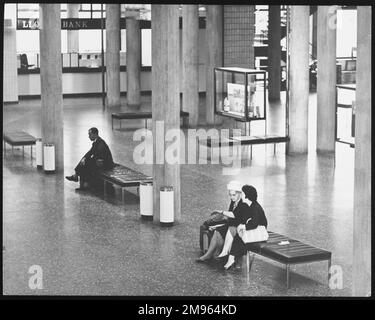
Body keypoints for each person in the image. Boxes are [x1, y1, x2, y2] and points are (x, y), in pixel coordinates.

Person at [196, 181, 246, 262]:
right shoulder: (233, 202)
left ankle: (214, 254)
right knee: (217, 231)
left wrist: (221, 212)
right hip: (231, 225)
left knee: (220, 231)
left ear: (239, 194)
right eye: (230, 195)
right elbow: (229, 217)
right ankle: (210, 254)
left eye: (233, 195)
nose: (231, 197)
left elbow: (234, 215)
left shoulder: (242, 205)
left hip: (236, 228)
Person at [223, 185, 268, 270]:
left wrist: (243, 226)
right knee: (238, 235)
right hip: (254, 230)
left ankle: (232, 259)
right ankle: (232, 259)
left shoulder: (255, 207)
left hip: (259, 233)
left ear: (247, 196)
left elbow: (254, 224)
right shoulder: (250, 205)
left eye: (242, 193)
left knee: (239, 237)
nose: (241, 195)